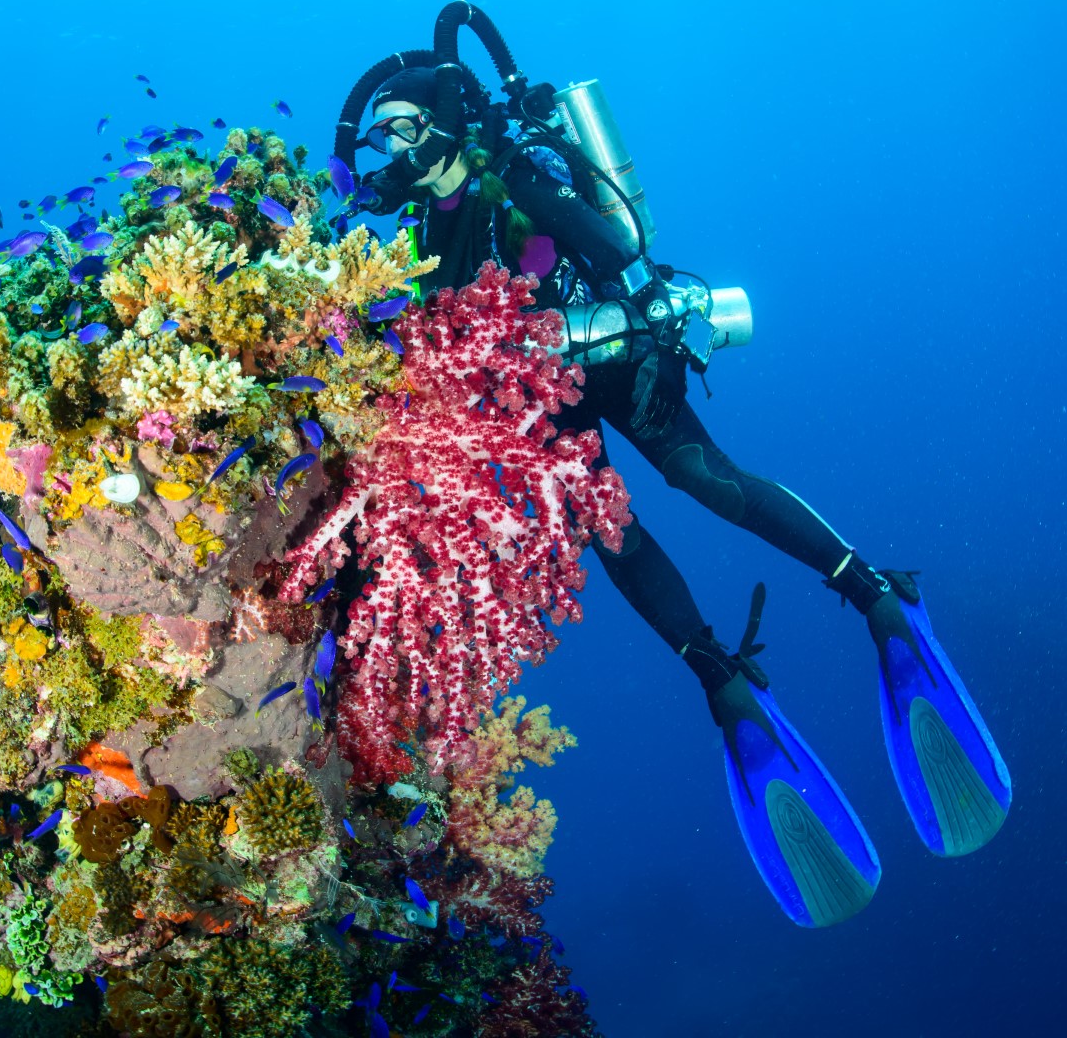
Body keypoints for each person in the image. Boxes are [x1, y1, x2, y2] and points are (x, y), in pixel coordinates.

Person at [354, 66, 1012, 927]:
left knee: (708, 480)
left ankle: (873, 591)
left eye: (401, 127)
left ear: (443, 122)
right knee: (610, 530)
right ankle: (716, 674)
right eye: (378, 135)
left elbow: (617, 253)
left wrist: (661, 351)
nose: (387, 149)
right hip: (543, 402)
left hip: (625, 364)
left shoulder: (512, 185)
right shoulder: (420, 227)